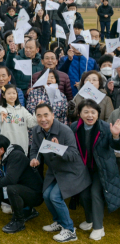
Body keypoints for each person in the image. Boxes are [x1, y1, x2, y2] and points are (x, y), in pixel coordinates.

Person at [29, 103, 91, 242]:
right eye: (39, 116)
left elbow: (74, 155)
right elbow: (34, 149)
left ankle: (69, 230)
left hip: (71, 170)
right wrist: (34, 158)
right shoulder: (36, 130)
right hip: (55, 169)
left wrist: (57, 149)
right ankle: (59, 222)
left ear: (52, 115)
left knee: (55, 196)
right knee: (46, 194)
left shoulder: (65, 130)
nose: (43, 119)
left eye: (46, 115)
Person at [70, 99, 120, 241]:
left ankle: (99, 228)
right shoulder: (74, 127)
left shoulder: (105, 127)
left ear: (98, 114)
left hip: (102, 169)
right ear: (79, 114)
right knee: (84, 194)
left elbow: (116, 146)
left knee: (95, 193)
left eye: (93, 112)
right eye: (86, 112)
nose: (89, 115)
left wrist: (116, 136)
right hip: (84, 168)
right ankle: (89, 220)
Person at [0, 134, 43, 234]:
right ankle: (28, 210)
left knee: (12, 189)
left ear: (1, 149)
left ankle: (19, 221)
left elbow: (11, 179)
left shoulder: (16, 156)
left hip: (35, 194)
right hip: (22, 190)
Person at [0, 84, 36, 153]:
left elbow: (32, 123)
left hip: (22, 145)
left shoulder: (22, 109)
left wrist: (37, 111)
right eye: (9, 93)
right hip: (7, 145)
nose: (12, 95)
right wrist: (2, 113)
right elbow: (0, 110)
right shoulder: (0, 108)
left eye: (14, 93)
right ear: (3, 95)